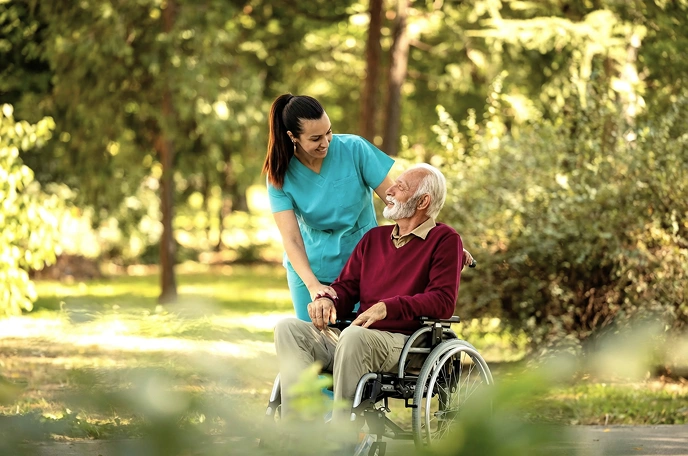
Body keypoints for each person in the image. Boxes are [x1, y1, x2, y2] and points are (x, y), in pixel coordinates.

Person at [273, 163, 464, 449]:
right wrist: (327, 298)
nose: (390, 191)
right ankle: (299, 434)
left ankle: (343, 440)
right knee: (288, 328)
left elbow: (443, 302)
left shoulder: (445, 240)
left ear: (423, 201)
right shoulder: (373, 239)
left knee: (353, 335)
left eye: (401, 187)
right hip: (358, 338)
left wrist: (389, 307)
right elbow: (347, 287)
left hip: (406, 344)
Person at [263, 94, 473, 322]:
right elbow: (291, 238)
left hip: (361, 267)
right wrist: (313, 285)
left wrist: (438, 244)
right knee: (311, 345)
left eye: (329, 132)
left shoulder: (354, 149)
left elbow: (399, 202)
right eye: (315, 138)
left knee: (356, 340)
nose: (325, 142)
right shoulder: (279, 174)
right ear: (292, 136)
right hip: (309, 269)